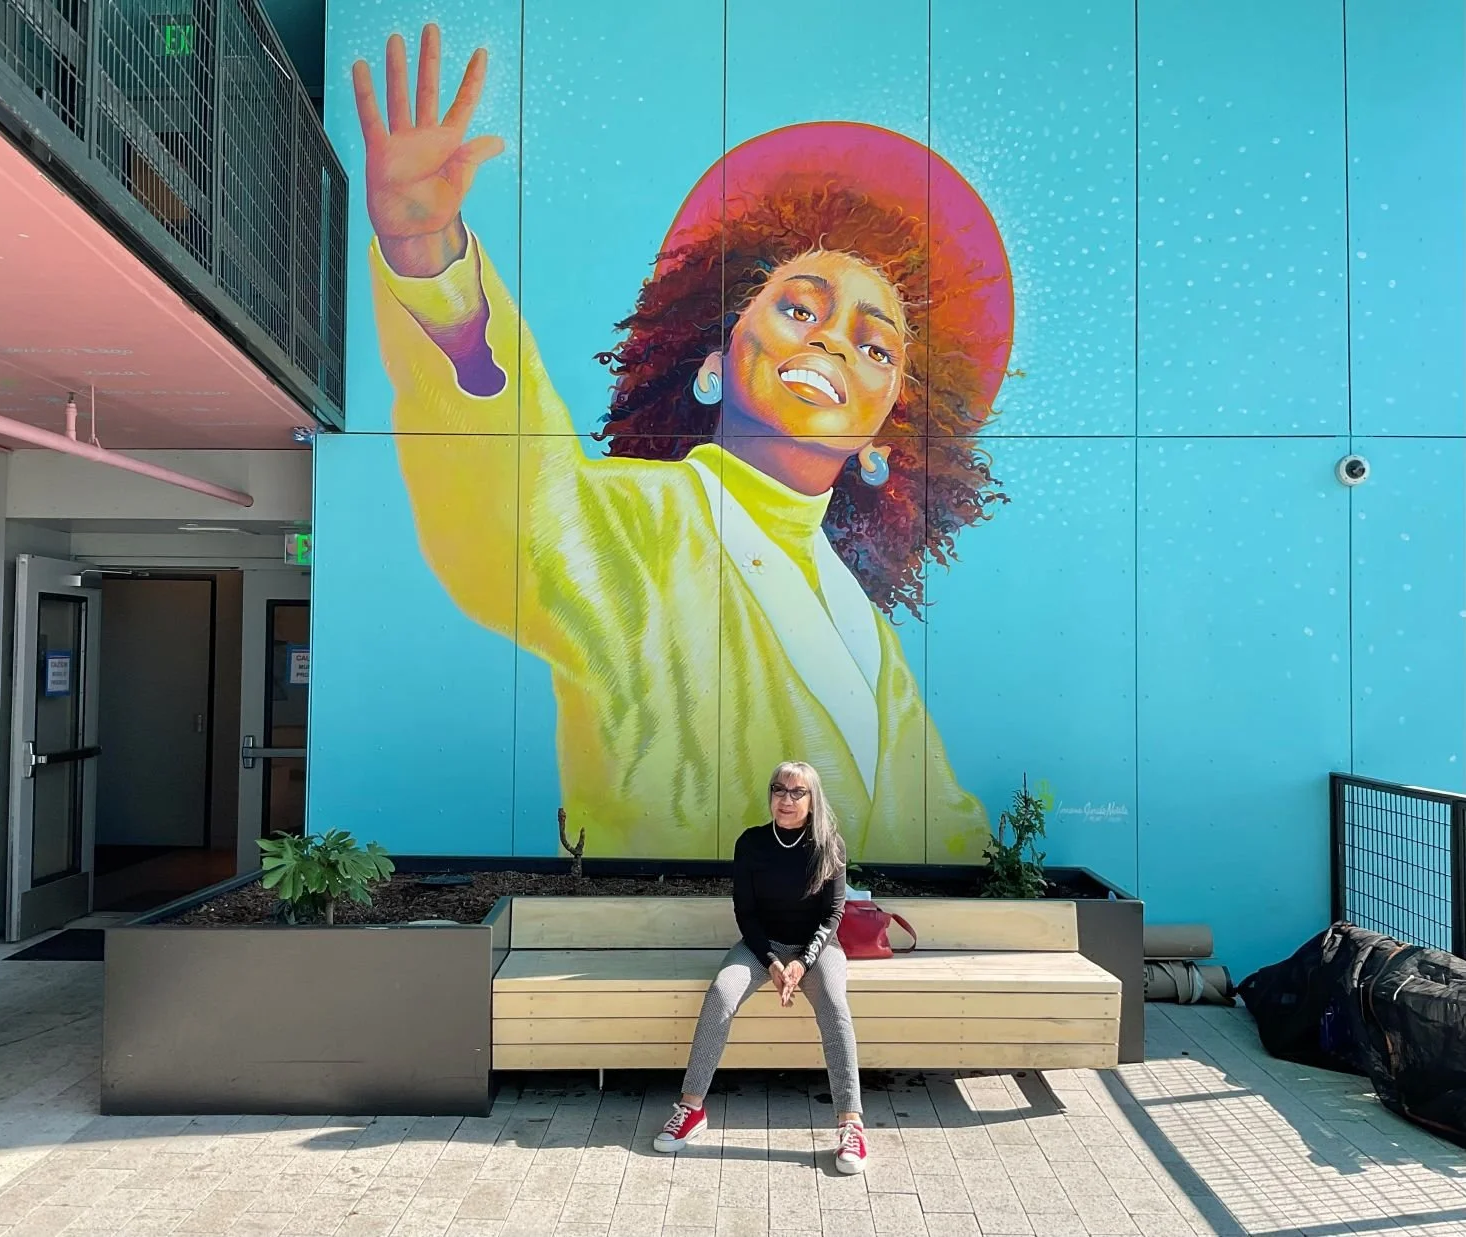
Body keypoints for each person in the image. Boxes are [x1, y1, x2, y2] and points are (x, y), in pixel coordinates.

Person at [351, 26, 1014, 864]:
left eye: (875, 346)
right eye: (799, 308)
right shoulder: (630, 526)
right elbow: (511, 496)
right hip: (660, 930)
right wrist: (430, 262)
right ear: (712, 361)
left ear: (883, 435)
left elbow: (942, 830)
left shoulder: (868, 638)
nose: (833, 342)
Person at [653, 761, 866, 1173]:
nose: (786, 799)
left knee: (834, 1002)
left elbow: (833, 915)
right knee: (721, 993)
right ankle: (692, 1108)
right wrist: (771, 962)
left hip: (817, 948)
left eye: (797, 792)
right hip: (761, 947)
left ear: (812, 799)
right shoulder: (751, 843)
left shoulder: (830, 845)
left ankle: (851, 1124)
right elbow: (745, 913)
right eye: (778, 790)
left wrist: (802, 963)